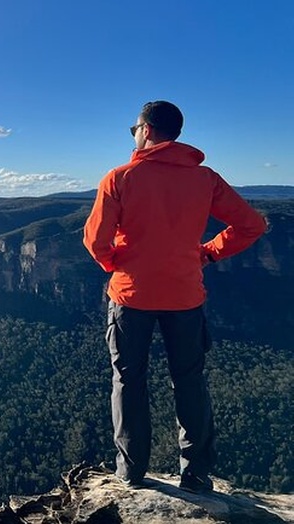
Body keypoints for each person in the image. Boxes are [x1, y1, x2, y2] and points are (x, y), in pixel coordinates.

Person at [82, 100, 267, 493]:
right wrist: (208, 252)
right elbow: (251, 224)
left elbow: (95, 242)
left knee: (129, 381)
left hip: (131, 297)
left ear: (146, 130)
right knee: (189, 381)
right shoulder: (206, 179)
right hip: (185, 295)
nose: (133, 134)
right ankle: (196, 473)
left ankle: (130, 470)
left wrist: (121, 263)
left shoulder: (119, 178)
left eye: (134, 128)